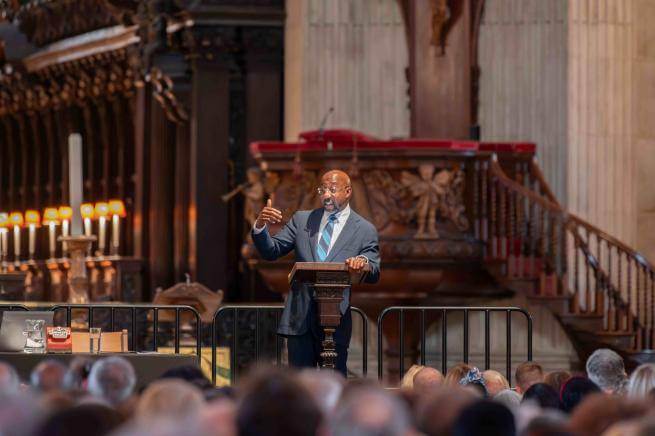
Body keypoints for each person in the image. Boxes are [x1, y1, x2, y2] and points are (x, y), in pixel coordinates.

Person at [252, 169, 380, 376]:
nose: (326, 195)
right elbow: (271, 251)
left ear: (348, 191)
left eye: (332, 189)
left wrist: (362, 261)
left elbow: (373, 267)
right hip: (300, 315)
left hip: (335, 316)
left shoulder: (364, 229)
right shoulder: (302, 220)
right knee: (300, 386)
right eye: (322, 190)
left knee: (334, 381)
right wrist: (259, 226)